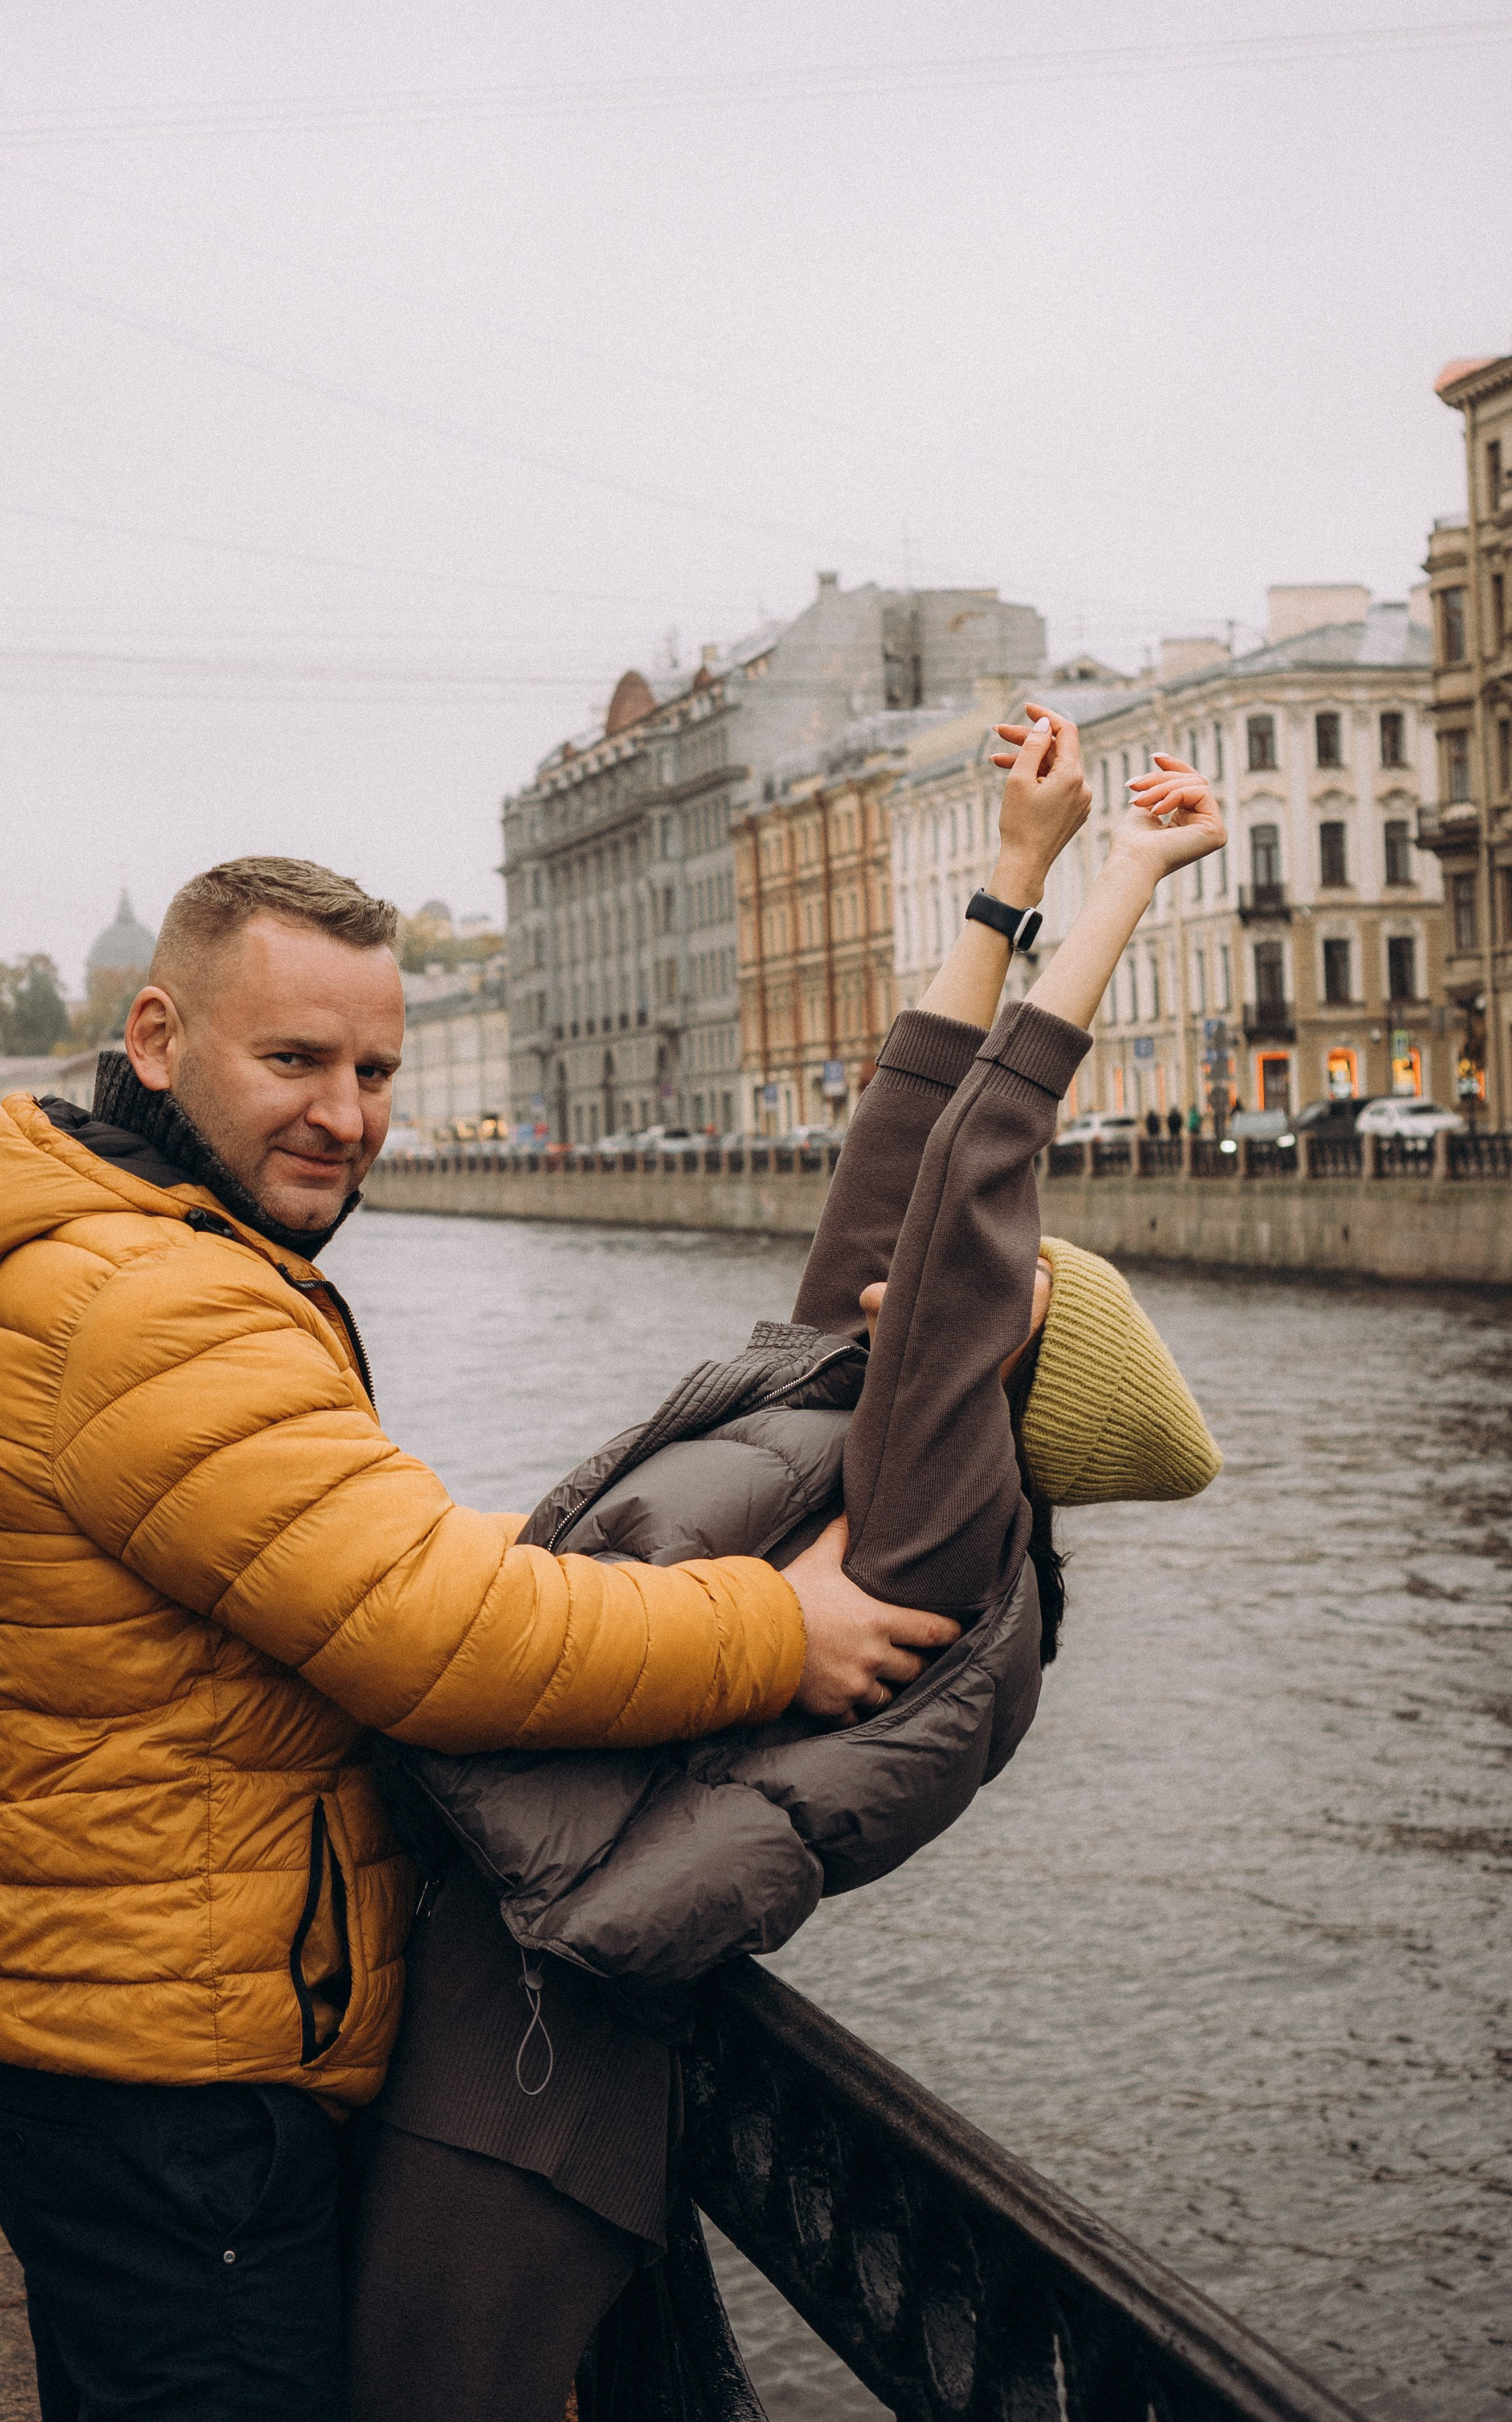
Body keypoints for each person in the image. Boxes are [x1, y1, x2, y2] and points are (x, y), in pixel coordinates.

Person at [0, 855, 952, 2422]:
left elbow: (344, 1560)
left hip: (113, 2005)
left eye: (374, 1071)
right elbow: (434, 1636)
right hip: (181, 2064)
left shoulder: (123, 1247)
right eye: (292, 1061)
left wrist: (571, 1563)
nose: (347, 1116)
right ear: (156, 1039)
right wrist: (777, 1628)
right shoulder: (155, 1300)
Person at [349, 718, 1227, 2419]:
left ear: (1000, 1383)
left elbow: (979, 1172)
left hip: (534, 2060)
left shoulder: (938, 1537)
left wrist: (1126, 879)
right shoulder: (837, 1398)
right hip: (484, 1964)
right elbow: (903, 1144)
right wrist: (1015, 869)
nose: (948, 1273)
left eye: (1000, 1293)